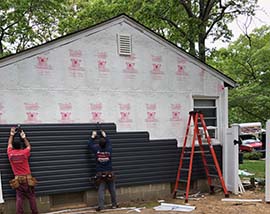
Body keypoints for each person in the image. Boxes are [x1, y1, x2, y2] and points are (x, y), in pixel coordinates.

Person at [7, 127, 38, 214]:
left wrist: (11, 134)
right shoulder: (24, 153)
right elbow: (28, 146)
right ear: (21, 147)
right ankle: (35, 212)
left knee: (19, 198)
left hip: (17, 180)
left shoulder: (10, 154)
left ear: (13, 147)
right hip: (28, 179)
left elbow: (9, 144)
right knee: (31, 197)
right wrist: (24, 137)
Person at [88, 129, 118, 211]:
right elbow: (109, 142)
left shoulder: (96, 151)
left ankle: (101, 207)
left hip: (100, 174)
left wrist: (93, 136)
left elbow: (90, 145)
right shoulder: (109, 150)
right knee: (112, 190)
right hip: (109, 173)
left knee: (101, 190)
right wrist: (105, 135)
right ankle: (114, 204)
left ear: (99, 145)